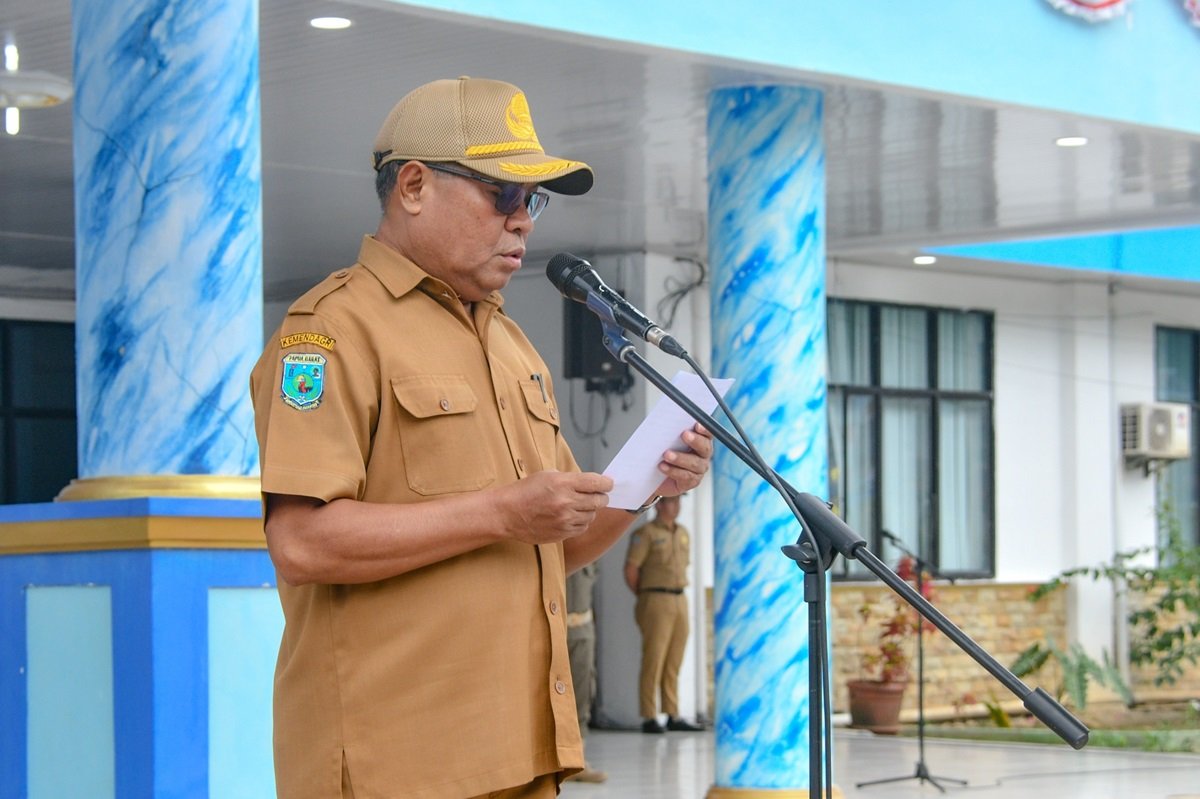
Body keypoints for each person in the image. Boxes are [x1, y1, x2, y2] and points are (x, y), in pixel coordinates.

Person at [249, 76, 713, 799]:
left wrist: (648, 482)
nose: (524, 220)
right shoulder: (328, 331)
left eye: (534, 200)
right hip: (393, 765)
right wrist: (500, 511)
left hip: (520, 756)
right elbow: (304, 542)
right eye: (503, 194)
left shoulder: (511, 345)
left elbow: (552, 543)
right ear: (412, 186)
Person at [624, 494, 705, 733]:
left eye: (679, 501)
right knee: (654, 659)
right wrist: (646, 596)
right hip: (655, 599)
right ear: (659, 505)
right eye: (672, 501)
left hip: (680, 598)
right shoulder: (646, 534)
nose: (677, 506)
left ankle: (672, 713)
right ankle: (649, 716)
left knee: (674, 660)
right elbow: (631, 570)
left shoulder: (682, 532)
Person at [563, 563, 606, 783]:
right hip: (554, 628)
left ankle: (577, 760)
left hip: (583, 630)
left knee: (583, 692)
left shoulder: (589, 549)